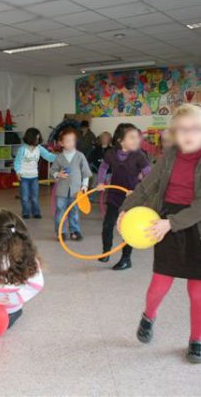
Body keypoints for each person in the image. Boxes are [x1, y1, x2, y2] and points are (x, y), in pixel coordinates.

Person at [118, 104, 201, 364]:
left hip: (195, 226)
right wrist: (124, 210)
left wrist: (171, 223)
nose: (189, 134)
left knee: (197, 293)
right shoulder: (168, 158)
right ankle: (148, 316)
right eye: (182, 130)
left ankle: (196, 339)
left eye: (195, 129)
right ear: (175, 133)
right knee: (159, 285)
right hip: (165, 222)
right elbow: (145, 188)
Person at [0, 209, 44, 331]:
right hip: (9, 307)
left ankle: (11, 315)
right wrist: (16, 298)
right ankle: (14, 313)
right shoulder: (28, 255)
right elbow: (37, 284)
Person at [97, 123, 150, 270]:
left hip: (131, 197)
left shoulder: (139, 155)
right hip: (114, 195)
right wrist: (101, 182)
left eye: (137, 138)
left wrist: (138, 191)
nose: (136, 141)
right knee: (108, 225)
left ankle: (126, 259)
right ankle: (106, 251)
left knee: (128, 229)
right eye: (132, 138)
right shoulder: (111, 153)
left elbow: (149, 176)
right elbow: (103, 167)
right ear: (120, 141)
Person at [50, 127, 92, 241]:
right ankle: (61, 232)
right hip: (62, 191)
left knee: (74, 212)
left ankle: (74, 231)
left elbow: (86, 173)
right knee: (60, 212)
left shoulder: (80, 156)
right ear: (61, 143)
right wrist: (57, 174)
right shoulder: (59, 158)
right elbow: (52, 171)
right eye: (67, 141)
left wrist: (84, 186)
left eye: (73, 140)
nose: (71, 143)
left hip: (75, 192)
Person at [14, 127, 56, 219]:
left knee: (35, 197)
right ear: (31, 138)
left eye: (38, 137)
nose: (38, 139)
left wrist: (60, 158)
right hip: (24, 177)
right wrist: (17, 172)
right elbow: (17, 162)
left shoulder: (39, 148)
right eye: (36, 138)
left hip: (34, 177)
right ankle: (26, 212)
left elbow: (48, 156)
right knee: (24, 197)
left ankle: (36, 212)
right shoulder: (22, 149)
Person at [88, 131, 112, 200]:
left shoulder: (111, 150)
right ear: (101, 139)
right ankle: (91, 198)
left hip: (108, 172)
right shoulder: (95, 149)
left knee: (108, 186)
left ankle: (107, 199)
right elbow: (89, 159)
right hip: (96, 172)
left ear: (109, 140)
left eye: (106, 138)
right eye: (103, 138)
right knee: (95, 185)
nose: (105, 139)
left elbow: (114, 161)